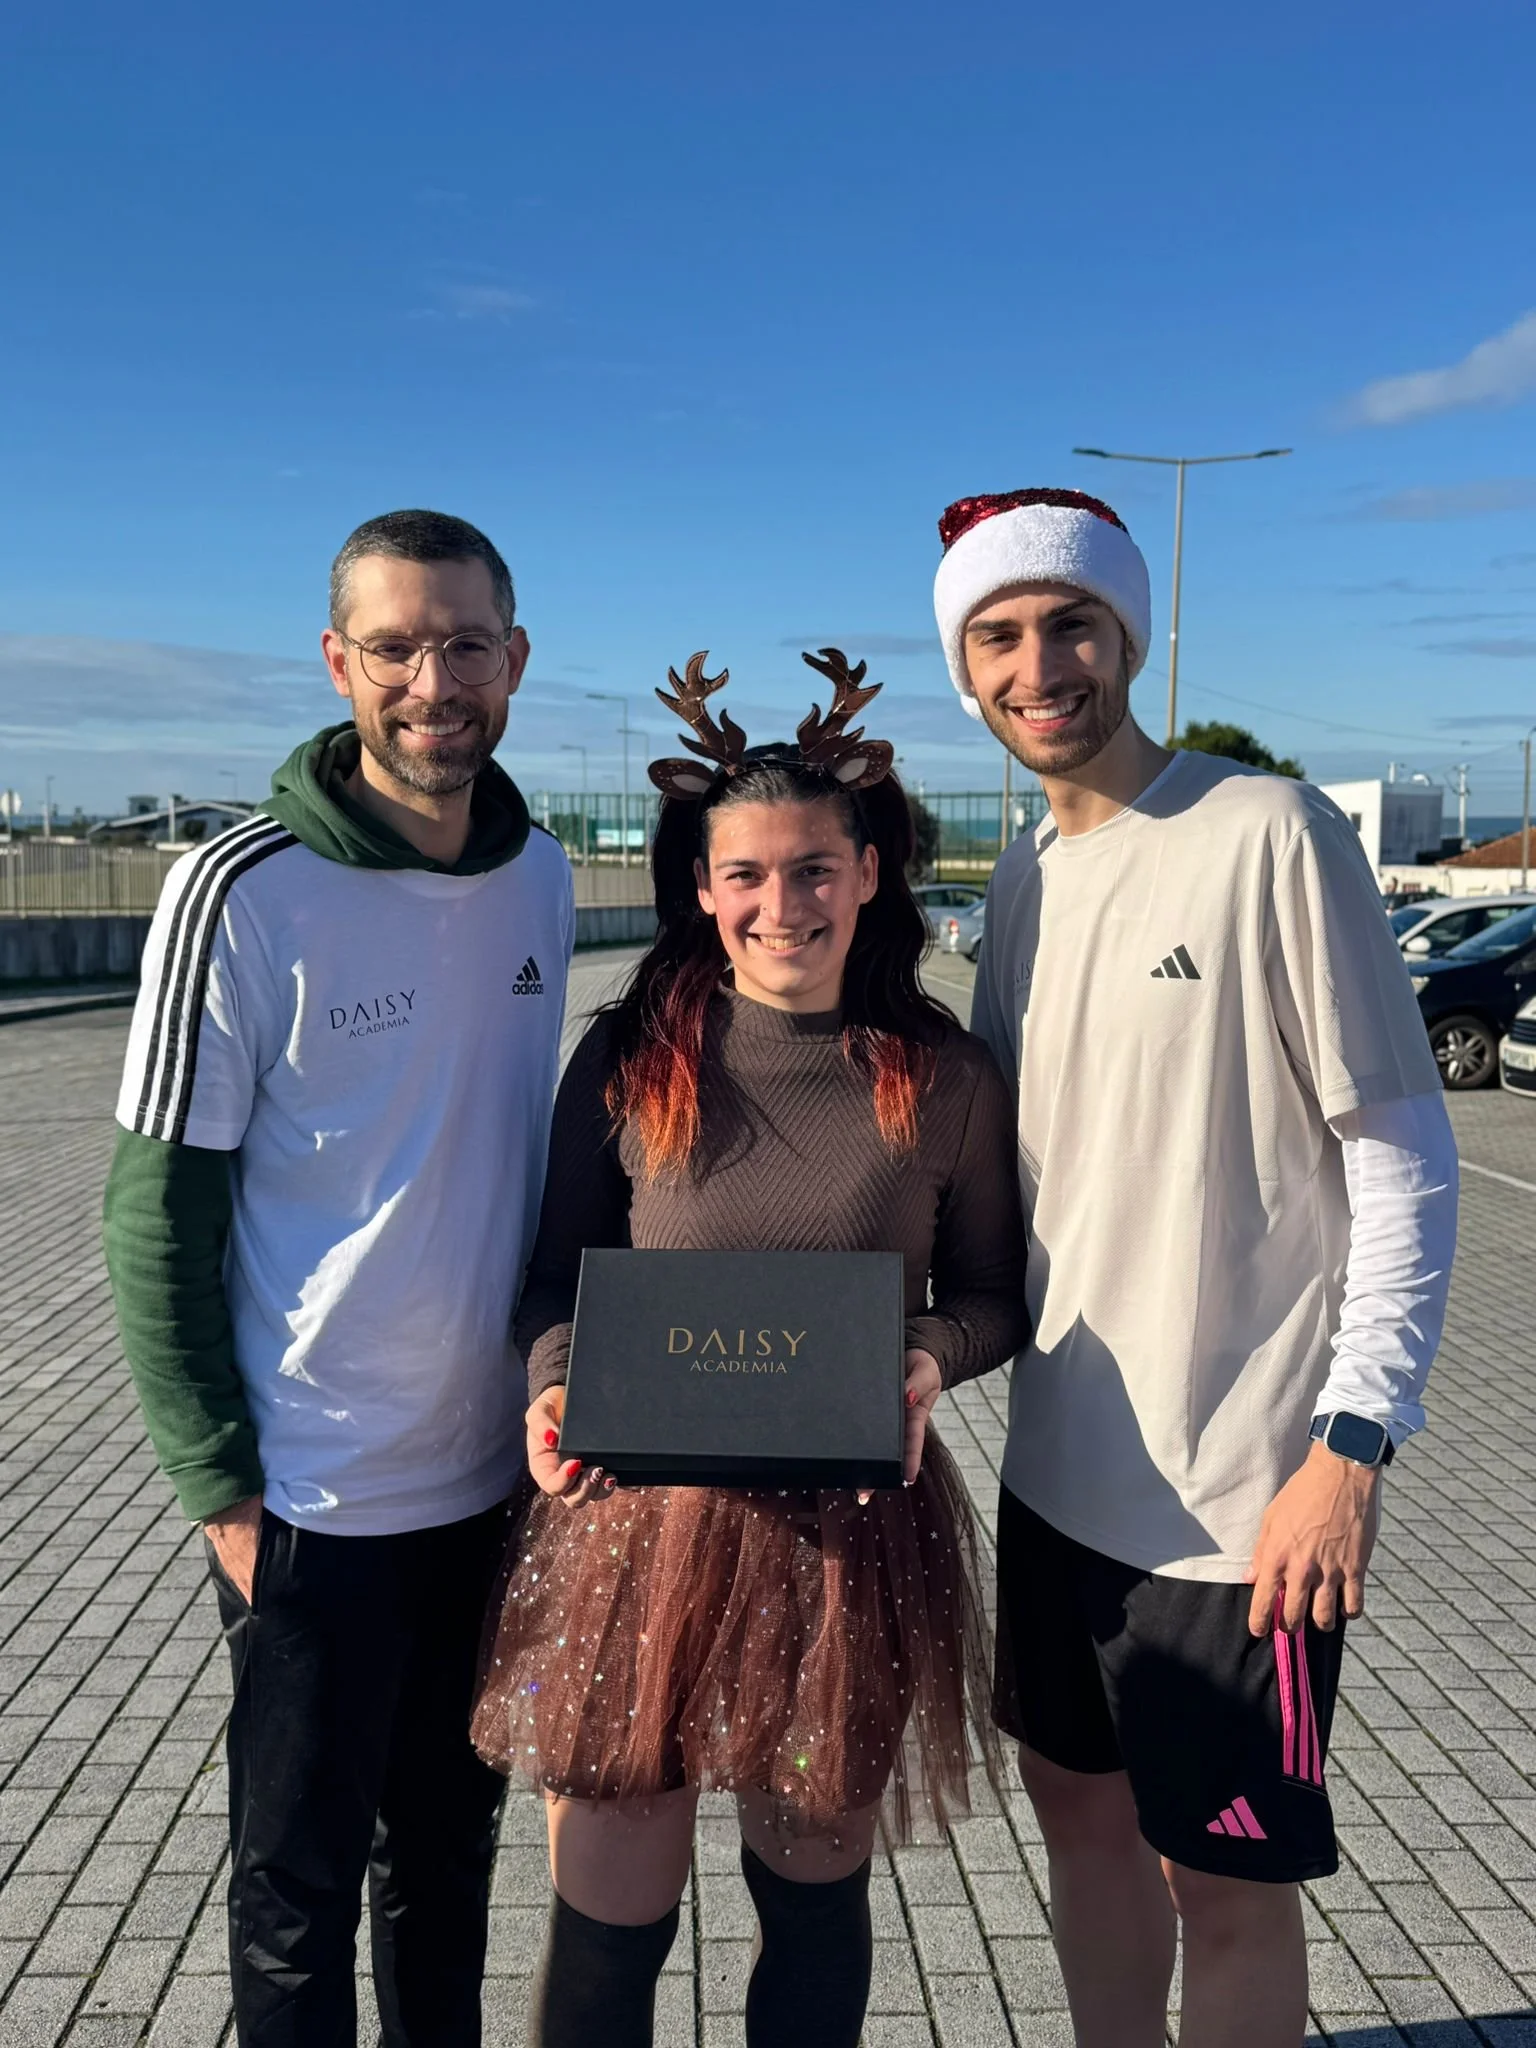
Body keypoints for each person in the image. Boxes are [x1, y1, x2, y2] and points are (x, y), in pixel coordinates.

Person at [932, 487, 1459, 2048]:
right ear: (967, 668)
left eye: (1071, 625)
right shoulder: (1024, 872)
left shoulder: (1266, 833)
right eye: (1000, 636)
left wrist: (1354, 1444)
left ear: (1130, 636)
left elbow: (1406, 1154)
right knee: (1082, 1840)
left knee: (1227, 1891)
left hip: (1245, 1514)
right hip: (1060, 1486)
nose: (1041, 665)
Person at [471, 649, 1029, 2048]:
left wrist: (926, 1364)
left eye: (815, 870)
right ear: (703, 890)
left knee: (813, 1902)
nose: (784, 905)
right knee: (609, 1913)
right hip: (641, 1535)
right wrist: (551, 1390)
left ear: (870, 873)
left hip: (847, 1543)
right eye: (747, 876)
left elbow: (993, 1293)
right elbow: (553, 1285)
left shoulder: (943, 1076)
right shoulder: (631, 1060)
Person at [103, 509, 574, 2046]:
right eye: (394, 645)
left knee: (447, 1863)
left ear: (514, 661)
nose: (431, 679)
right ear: (337, 661)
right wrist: (218, 1487)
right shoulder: (240, 889)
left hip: (490, 1486)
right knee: (295, 1885)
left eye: (462, 645)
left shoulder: (544, 879)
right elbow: (153, 1215)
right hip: (310, 1499)